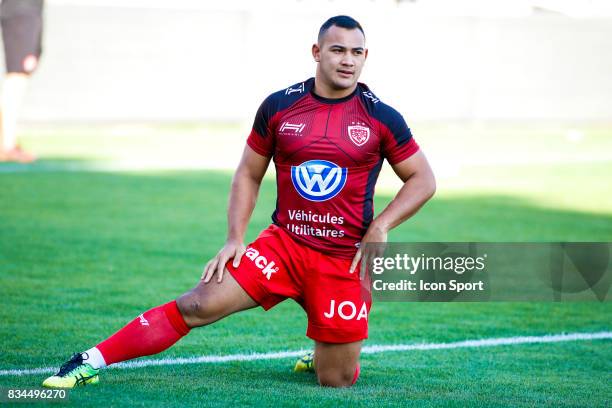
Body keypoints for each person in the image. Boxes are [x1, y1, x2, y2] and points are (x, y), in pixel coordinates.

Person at [42, 15, 435, 389]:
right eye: (337, 50)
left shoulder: (382, 117)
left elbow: (423, 179)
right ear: (316, 52)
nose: (347, 60)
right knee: (199, 303)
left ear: (365, 57)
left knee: (337, 381)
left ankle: (326, 352)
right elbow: (249, 173)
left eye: (356, 52)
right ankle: (89, 361)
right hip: (284, 245)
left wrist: (381, 224)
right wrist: (235, 237)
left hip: (342, 258)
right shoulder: (280, 107)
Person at [0, 0, 43, 163]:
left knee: (20, 74)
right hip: (22, 10)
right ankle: (7, 144)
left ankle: (7, 142)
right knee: (17, 75)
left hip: (27, 10)